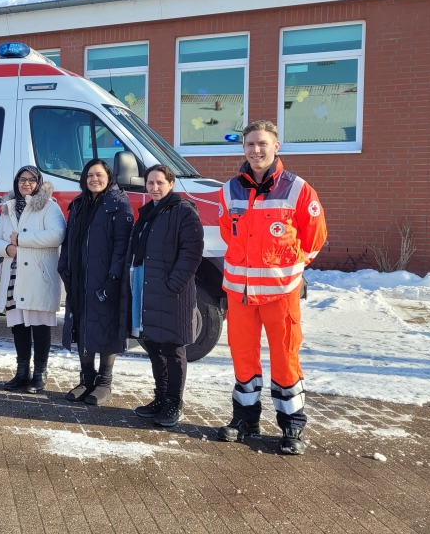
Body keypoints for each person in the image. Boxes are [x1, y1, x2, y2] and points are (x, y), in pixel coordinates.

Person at [216, 119, 327, 455]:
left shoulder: (298, 189)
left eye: (262, 143)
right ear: (243, 148)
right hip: (240, 292)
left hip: (281, 293)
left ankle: (292, 427)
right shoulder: (229, 190)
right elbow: (228, 232)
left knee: (285, 357)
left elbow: (315, 237)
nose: (256, 150)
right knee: (242, 356)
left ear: (276, 146)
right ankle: (245, 419)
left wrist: (290, 269)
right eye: (250, 144)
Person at [128, 164, 204, 427]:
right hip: (147, 287)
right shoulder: (148, 212)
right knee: (152, 344)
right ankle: (160, 397)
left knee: (172, 348)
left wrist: (174, 284)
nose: (154, 187)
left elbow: (192, 251)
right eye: (150, 183)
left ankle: (174, 402)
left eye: (160, 182)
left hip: (172, 292)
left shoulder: (183, 212)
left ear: (171, 184)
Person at [58, 159, 133, 405]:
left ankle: (104, 382)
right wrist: (63, 266)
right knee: (82, 325)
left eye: (99, 175)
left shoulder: (119, 203)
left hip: (105, 277)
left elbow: (123, 245)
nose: (94, 179)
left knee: (106, 325)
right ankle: (87, 378)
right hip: (79, 277)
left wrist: (114, 277)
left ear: (109, 177)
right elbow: (69, 239)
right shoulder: (79, 203)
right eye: (90, 175)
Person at [0, 166, 65, 394]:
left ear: (38, 183)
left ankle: (40, 374)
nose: (26, 184)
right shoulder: (8, 208)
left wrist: (21, 239)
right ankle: (22, 372)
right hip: (15, 274)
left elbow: (58, 234)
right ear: (16, 182)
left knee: (40, 327)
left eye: (32, 180)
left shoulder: (49, 206)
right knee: (19, 327)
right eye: (22, 179)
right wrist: (7, 248)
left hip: (38, 277)